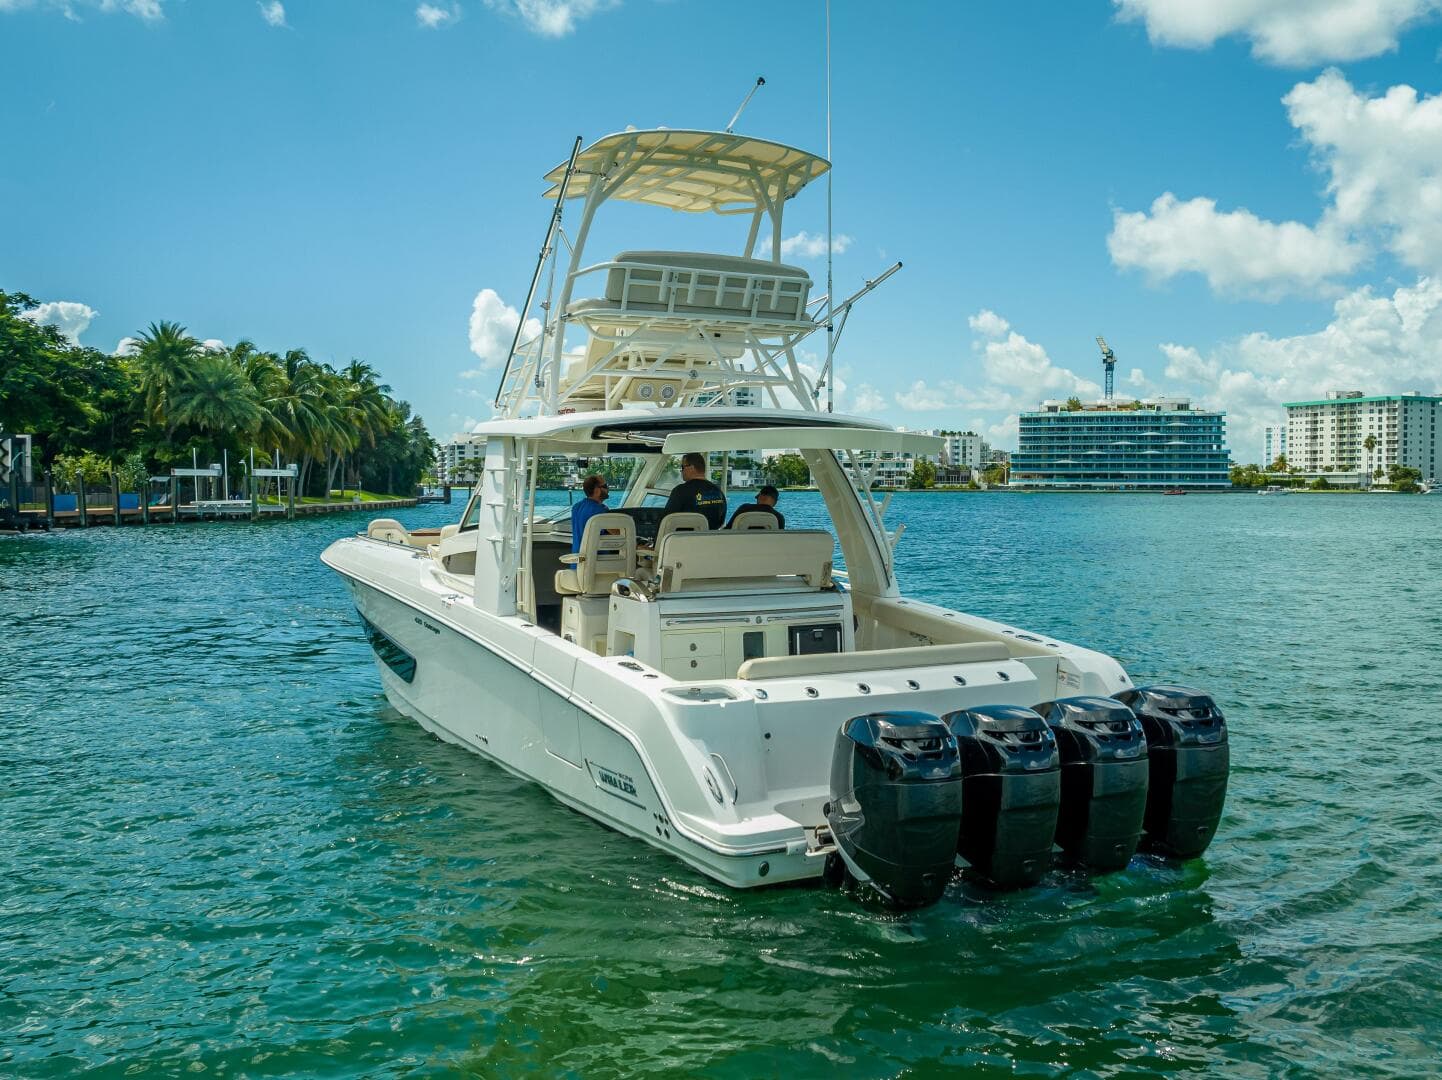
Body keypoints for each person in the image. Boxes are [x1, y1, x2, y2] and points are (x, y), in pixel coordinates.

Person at [664, 452, 726, 529]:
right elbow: (721, 522)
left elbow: (667, 521)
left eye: (682, 467)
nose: (681, 471)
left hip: (684, 539)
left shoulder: (680, 491)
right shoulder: (718, 491)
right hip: (710, 539)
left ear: (691, 467)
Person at [570, 474, 609, 553]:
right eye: (605, 486)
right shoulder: (601, 510)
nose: (608, 489)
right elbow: (619, 533)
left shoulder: (576, 507)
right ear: (597, 490)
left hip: (577, 562)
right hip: (596, 562)